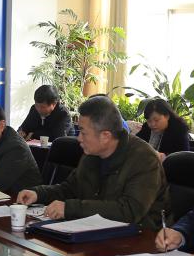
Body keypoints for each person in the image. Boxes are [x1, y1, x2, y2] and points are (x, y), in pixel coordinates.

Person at [16, 95, 170, 228]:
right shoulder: (92, 154)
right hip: (94, 230)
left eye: (83, 132)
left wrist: (70, 208)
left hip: (139, 239)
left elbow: (129, 211)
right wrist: (38, 193)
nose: (79, 138)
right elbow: (70, 188)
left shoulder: (144, 159)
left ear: (105, 136)